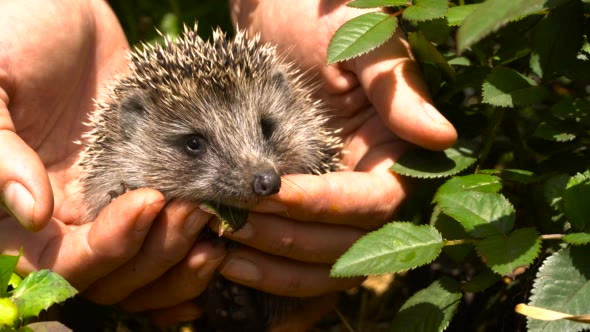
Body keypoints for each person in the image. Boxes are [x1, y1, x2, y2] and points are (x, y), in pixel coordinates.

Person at [0, 0, 456, 328]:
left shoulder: (296, 139)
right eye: (195, 145)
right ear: (132, 130)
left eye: (266, 129)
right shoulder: (120, 162)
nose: (262, 173)